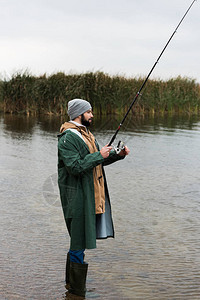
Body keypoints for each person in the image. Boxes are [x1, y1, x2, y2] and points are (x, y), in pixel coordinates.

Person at [57, 98, 130, 297]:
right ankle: (77, 291)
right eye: (89, 112)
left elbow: (97, 161)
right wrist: (100, 155)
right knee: (78, 241)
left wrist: (117, 154)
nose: (92, 115)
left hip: (88, 194)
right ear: (78, 114)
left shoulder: (87, 134)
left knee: (78, 241)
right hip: (77, 196)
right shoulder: (68, 137)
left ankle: (71, 287)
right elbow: (75, 167)